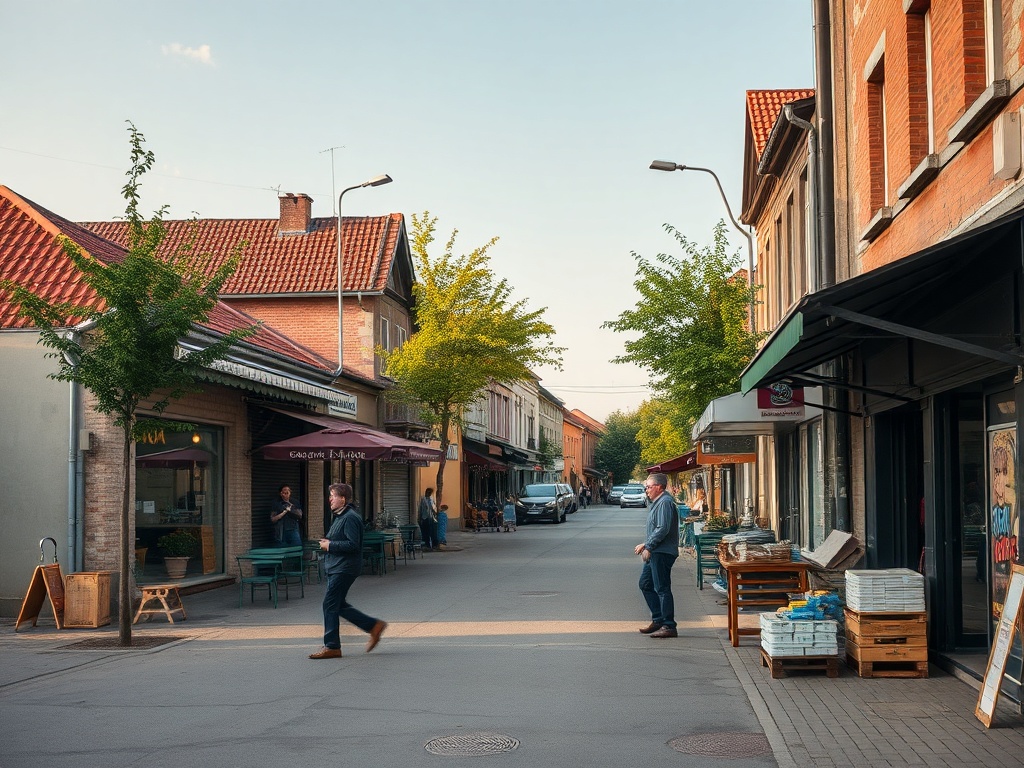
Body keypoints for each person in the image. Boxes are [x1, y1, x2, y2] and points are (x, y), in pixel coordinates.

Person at [309, 483, 387, 659]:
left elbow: (353, 545)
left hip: (344, 567)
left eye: (333, 495)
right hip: (338, 566)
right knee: (337, 605)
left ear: (342, 499)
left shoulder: (350, 517)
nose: (329, 499)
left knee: (329, 604)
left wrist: (330, 546)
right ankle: (373, 626)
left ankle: (332, 646)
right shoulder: (340, 516)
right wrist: (328, 541)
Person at [635, 472, 680, 638]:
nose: (646, 490)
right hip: (656, 551)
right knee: (645, 584)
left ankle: (669, 625)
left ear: (659, 487)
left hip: (662, 552)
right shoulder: (657, 502)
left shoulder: (665, 502)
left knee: (662, 588)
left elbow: (662, 528)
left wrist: (648, 545)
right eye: (646, 487)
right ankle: (658, 619)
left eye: (649, 487)